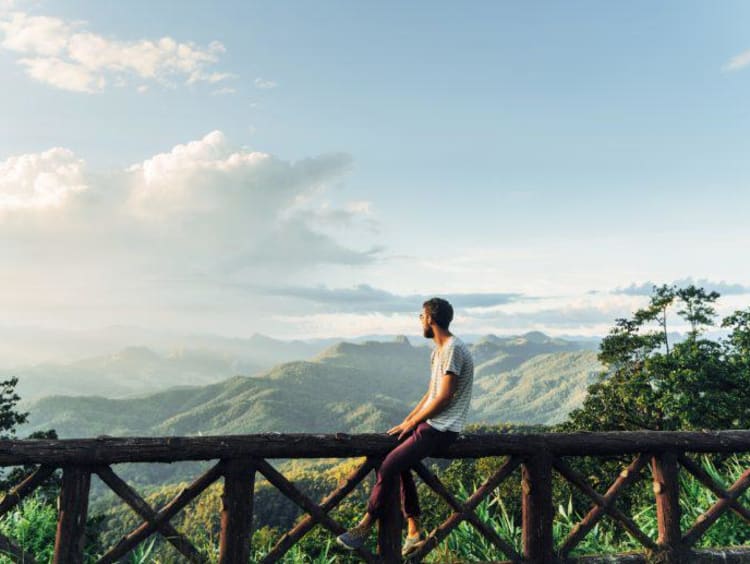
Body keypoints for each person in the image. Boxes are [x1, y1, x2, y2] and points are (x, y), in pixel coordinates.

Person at [336, 297, 475, 557]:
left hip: (442, 429)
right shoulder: (440, 349)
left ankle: (365, 525)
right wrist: (408, 420)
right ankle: (413, 530)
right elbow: (431, 393)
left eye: (421, 317)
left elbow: (444, 397)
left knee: (389, 465)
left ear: (431, 319)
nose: (420, 321)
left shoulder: (453, 348)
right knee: (400, 462)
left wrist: (414, 423)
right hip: (431, 425)